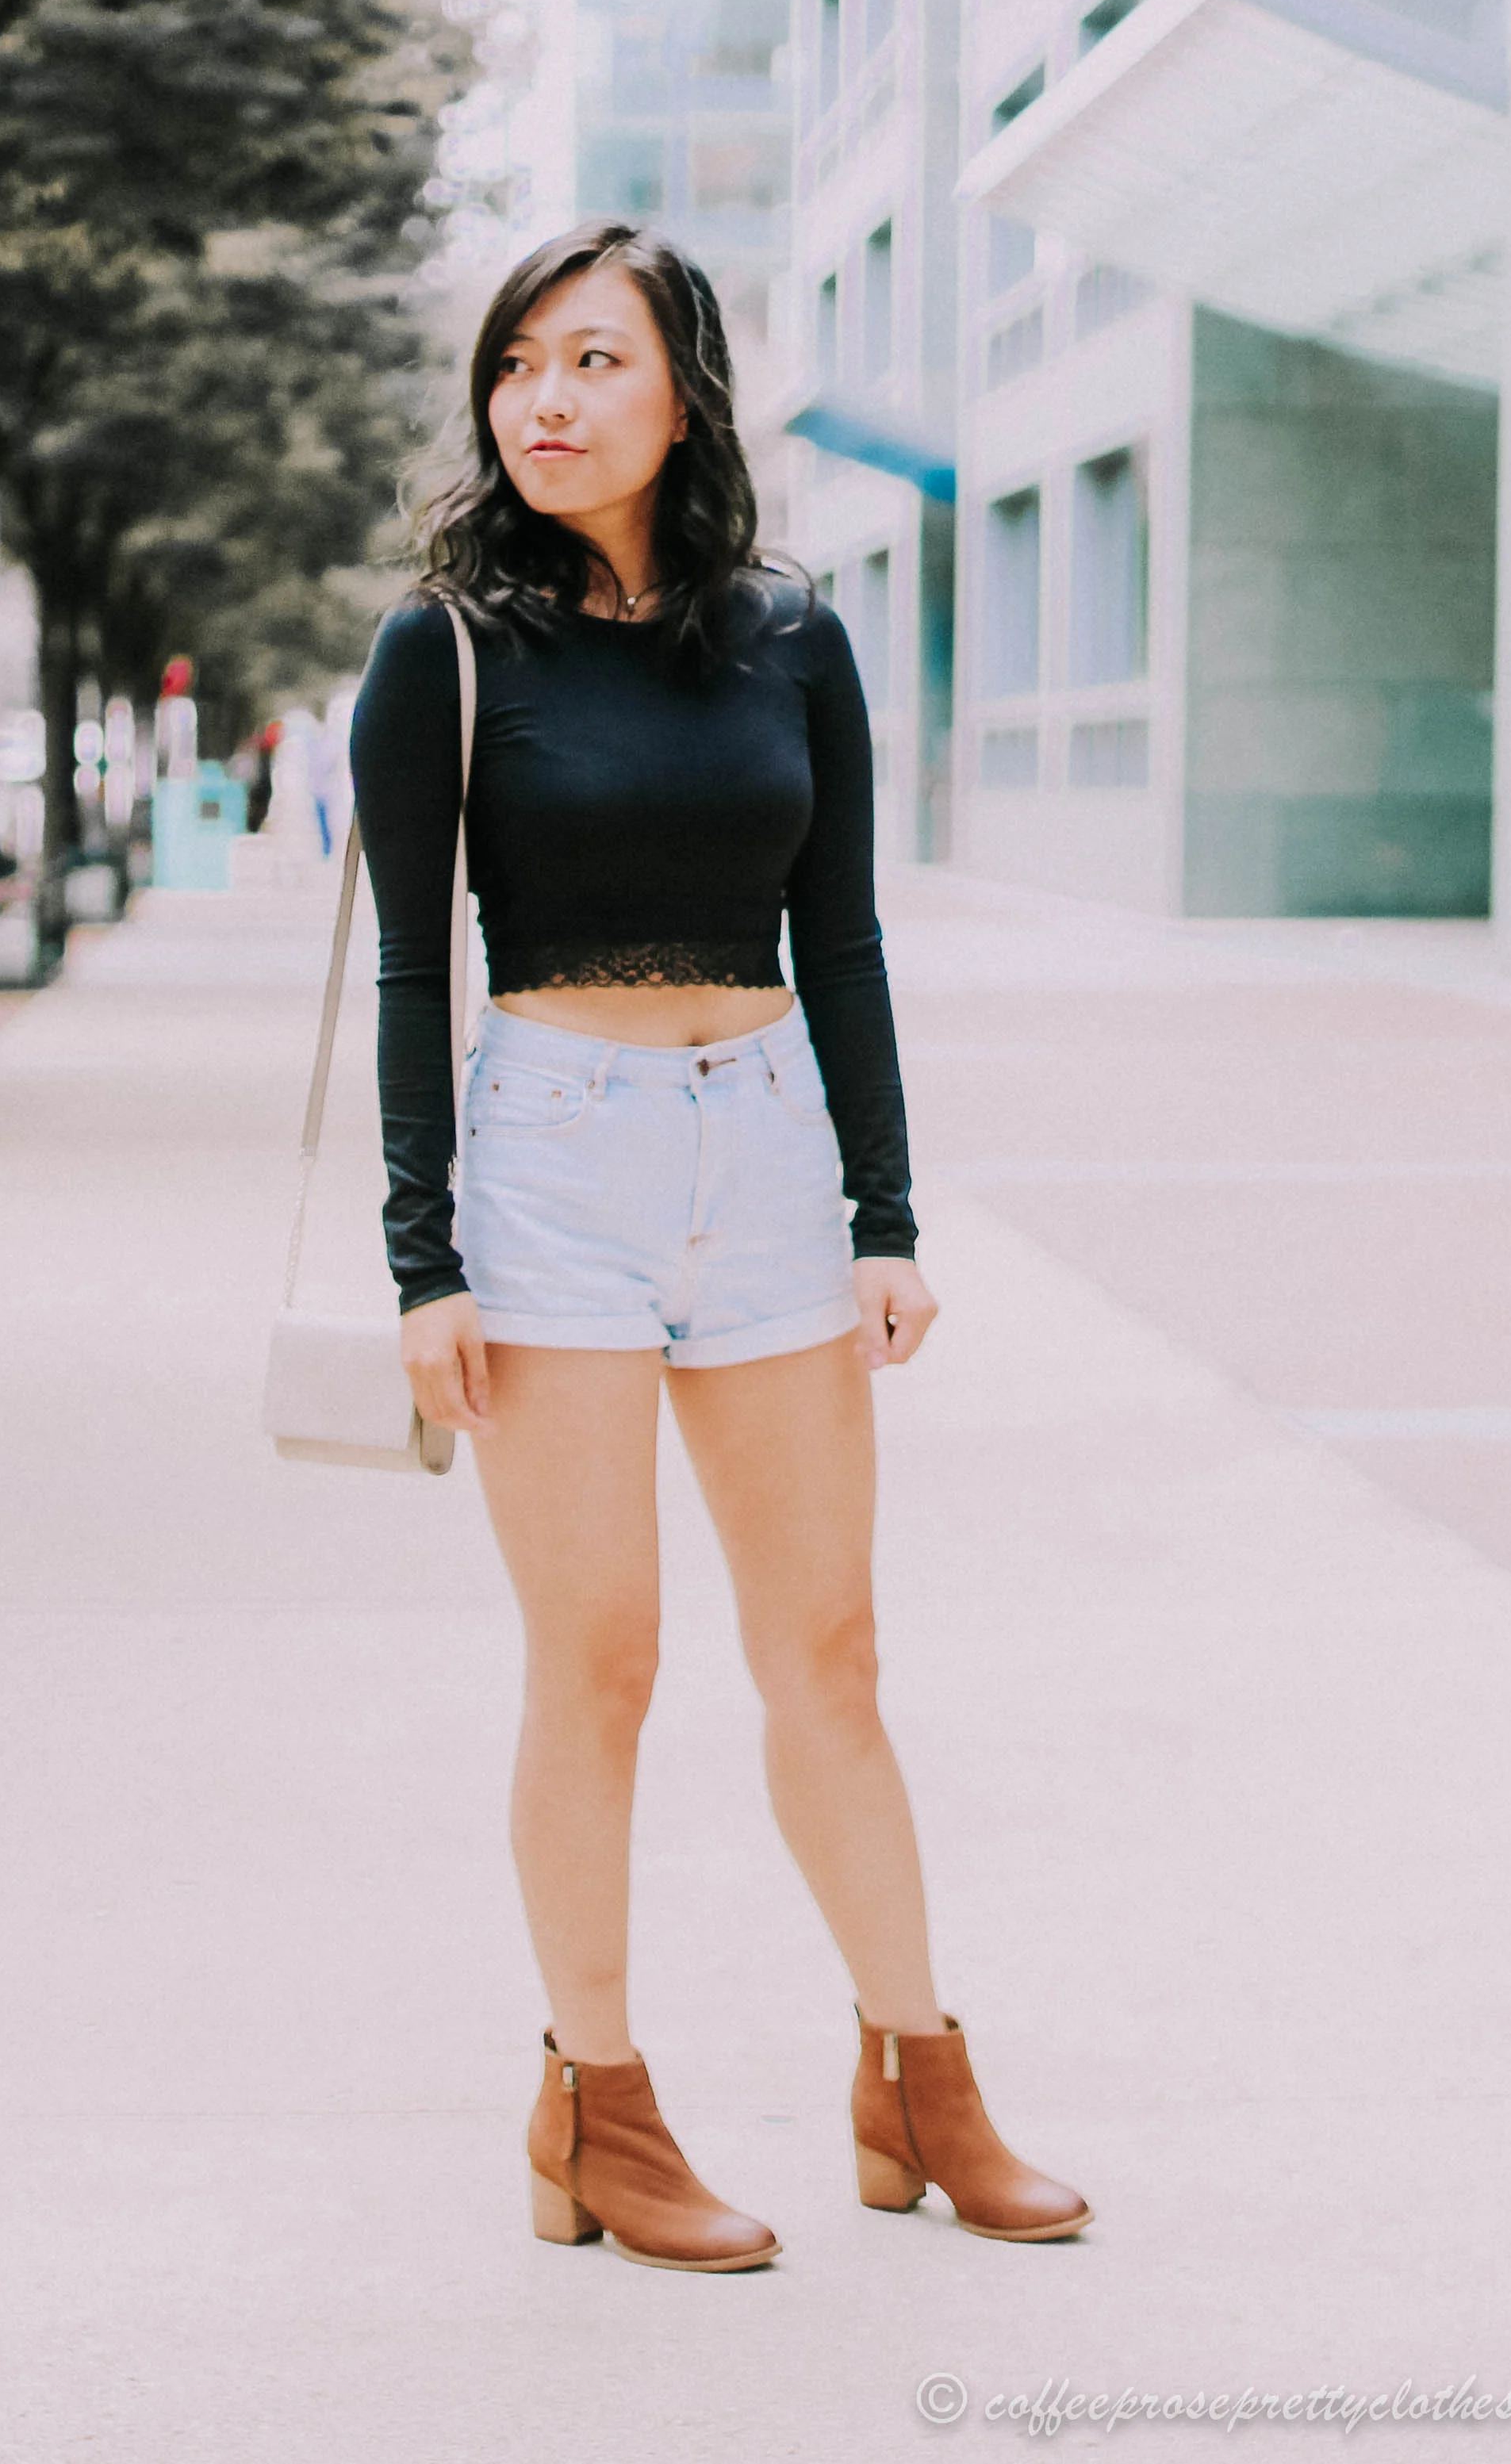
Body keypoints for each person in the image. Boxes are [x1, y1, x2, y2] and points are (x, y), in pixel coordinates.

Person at [349, 220, 1089, 2273]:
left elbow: (841, 936)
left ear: (684, 390)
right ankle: (598, 2102)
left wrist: (886, 1219)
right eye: (518, 364)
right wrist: (426, 1260)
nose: (546, 399)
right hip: (553, 1167)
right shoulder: (452, 650)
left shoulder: (791, 635)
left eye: (591, 359)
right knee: (601, 1664)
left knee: (828, 1656)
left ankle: (918, 2078)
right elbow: (419, 971)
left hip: (763, 1150)